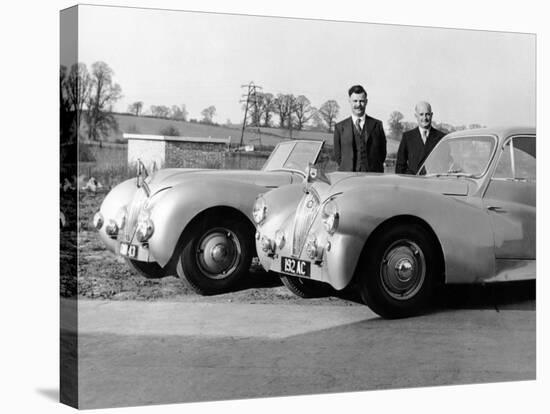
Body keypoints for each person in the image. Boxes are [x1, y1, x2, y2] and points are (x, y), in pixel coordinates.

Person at [333, 85, 387, 172]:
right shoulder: (339, 127)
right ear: (349, 101)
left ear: (366, 102)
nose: (358, 105)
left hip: (372, 177)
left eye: (361, 101)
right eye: (355, 101)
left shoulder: (377, 125)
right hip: (348, 178)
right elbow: (338, 156)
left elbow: (382, 154)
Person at [395, 101, 446, 175]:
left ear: (431, 115)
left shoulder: (441, 138)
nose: (424, 118)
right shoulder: (407, 137)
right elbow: (400, 167)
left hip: (434, 182)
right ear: (416, 116)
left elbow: (446, 164)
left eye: (427, 114)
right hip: (413, 183)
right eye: (421, 114)